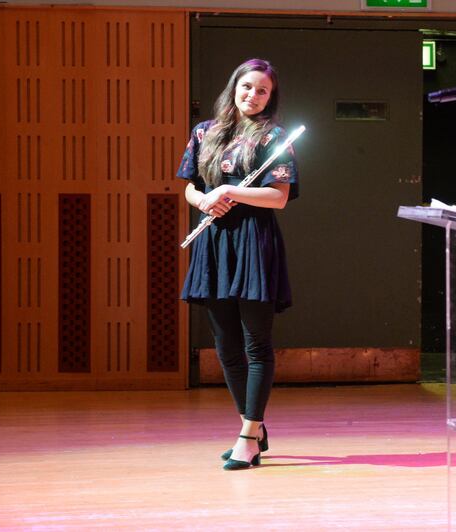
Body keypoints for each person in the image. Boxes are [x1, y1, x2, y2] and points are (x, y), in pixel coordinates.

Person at [177, 58, 299, 471]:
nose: (253, 95)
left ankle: (248, 435)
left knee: (256, 344)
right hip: (213, 241)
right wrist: (204, 199)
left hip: (253, 241)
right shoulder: (204, 133)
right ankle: (254, 426)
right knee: (226, 348)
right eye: (247, 87)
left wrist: (231, 190)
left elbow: (279, 197)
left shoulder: (274, 136)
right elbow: (191, 186)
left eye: (262, 90)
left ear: (270, 97)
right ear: (234, 87)